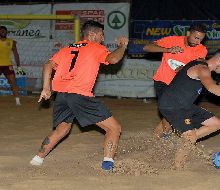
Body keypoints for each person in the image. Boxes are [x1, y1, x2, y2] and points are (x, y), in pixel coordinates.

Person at [30, 20, 128, 171]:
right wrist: (122, 46)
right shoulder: (96, 47)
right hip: (79, 94)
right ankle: (108, 165)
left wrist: (46, 88)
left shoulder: (67, 48)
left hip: (61, 95)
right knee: (114, 128)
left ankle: (37, 159)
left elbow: (47, 65)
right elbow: (114, 59)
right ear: (92, 34)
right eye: (101, 35)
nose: (102, 38)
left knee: (62, 130)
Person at [158, 50, 220, 169]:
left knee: (216, 124)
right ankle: (178, 166)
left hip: (184, 105)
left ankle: (184, 141)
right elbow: (211, 87)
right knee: (190, 135)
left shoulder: (200, 63)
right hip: (172, 105)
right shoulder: (203, 68)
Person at [143, 24, 207, 138]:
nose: (198, 42)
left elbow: (198, 67)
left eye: (201, 39)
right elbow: (147, 47)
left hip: (180, 86)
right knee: (169, 112)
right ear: (188, 33)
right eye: (196, 37)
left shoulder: (201, 49)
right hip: (163, 82)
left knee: (172, 112)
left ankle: (155, 138)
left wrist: (184, 69)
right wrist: (167, 50)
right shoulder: (172, 40)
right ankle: (166, 139)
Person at [0, 26, 25, 105]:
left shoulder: (11, 42)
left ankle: (17, 101)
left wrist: (18, 66)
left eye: (4, 31)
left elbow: (16, 54)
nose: (3, 32)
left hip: (8, 65)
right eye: (1, 31)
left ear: (6, 32)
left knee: (13, 83)